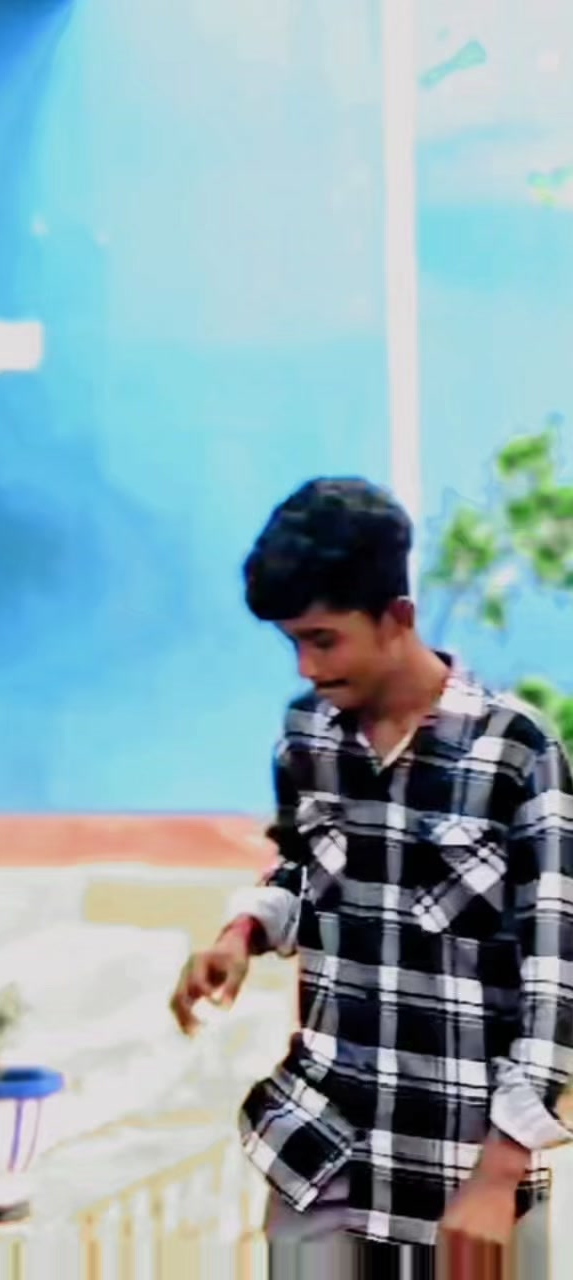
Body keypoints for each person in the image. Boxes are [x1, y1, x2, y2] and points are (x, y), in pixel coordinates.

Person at [169, 477, 573, 1273]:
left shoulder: (517, 753)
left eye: (324, 640)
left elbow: (556, 980)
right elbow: (302, 868)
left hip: (464, 1172)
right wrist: (242, 933)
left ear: (398, 617)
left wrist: (500, 1174)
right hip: (322, 1153)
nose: (307, 666)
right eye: (292, 643)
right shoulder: (306, 737)